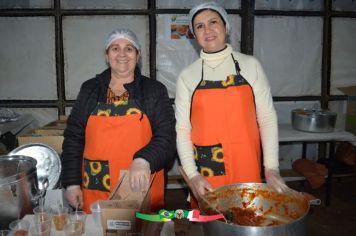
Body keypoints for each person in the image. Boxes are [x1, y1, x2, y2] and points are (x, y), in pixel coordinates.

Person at [175, 1, 288, 206]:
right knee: (213, 222)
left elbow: (267, 118)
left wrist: (271, 167)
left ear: (226, 27)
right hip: (207, 169)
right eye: (199, 26)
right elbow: (183, 129)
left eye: (213, 22)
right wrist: (192, 175)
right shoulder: (187, 76)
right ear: (194, 34)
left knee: (246, 217)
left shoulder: (249, 65)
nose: (207, 29)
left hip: (246, 162)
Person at [61, 28, 176, 213]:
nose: (122, 54)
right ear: (107, 56)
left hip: (138, 185)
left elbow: (167, 136)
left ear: (138, 56)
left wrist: (144, 160)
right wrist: (72, 182)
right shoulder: (90, 89)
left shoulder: (153, 90)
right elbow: (74, 137)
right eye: (115, 48)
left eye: (129, 49)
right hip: (96, 185)